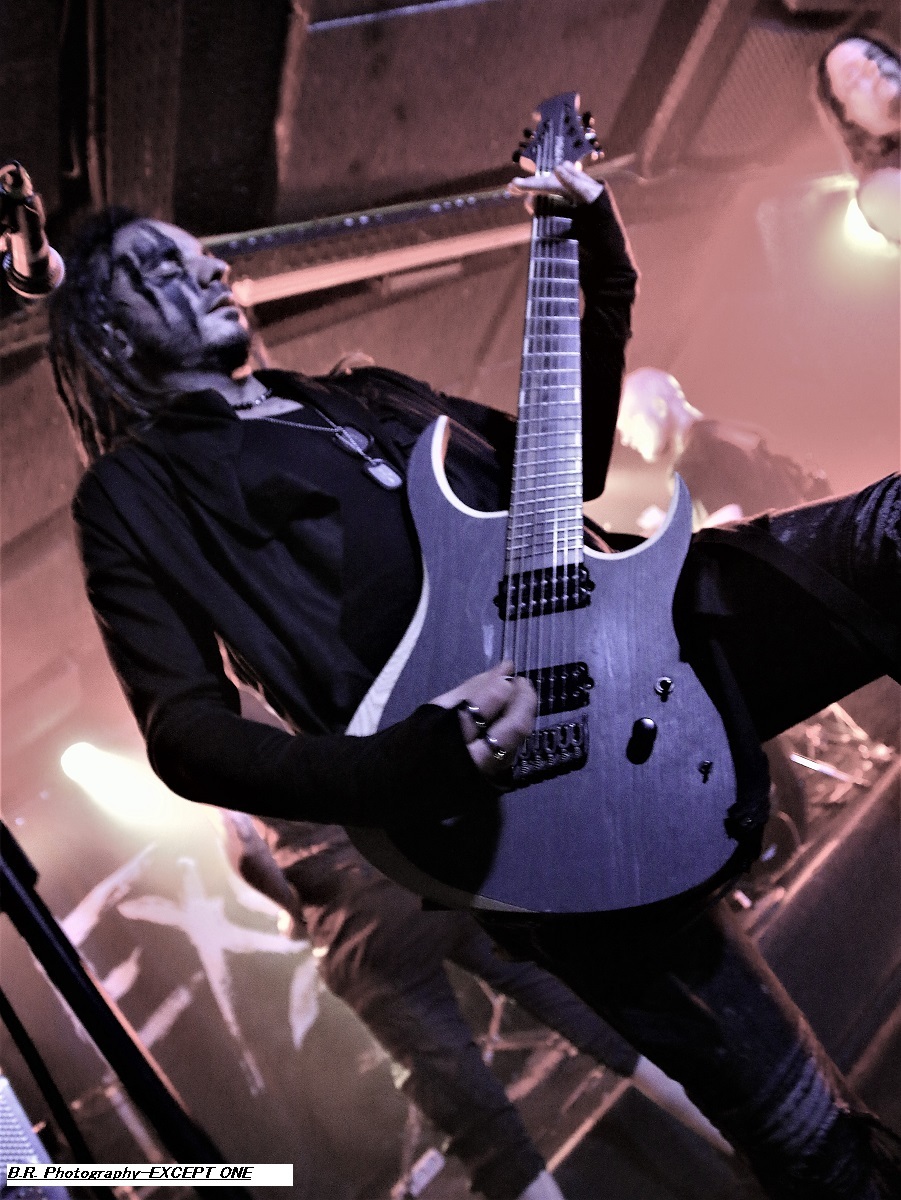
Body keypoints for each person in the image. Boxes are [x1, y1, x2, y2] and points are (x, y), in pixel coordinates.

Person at [47, 150, 901, 1200]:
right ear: (111, 334)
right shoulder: (135, 493)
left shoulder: (358, 395)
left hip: (646, 642)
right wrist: (400, 768)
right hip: (525, 806)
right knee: (806, 1128)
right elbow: (183, 730)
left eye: (202, 257)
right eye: (162, 270)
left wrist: (605, 270)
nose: (211, 271)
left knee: (888, 534)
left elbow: (565, 465)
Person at [217, 807, 729, 1200]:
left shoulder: (210, 725)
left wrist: (297, 913)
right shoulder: (292, 699)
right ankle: (751, 1144)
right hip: (431, 868)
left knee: (482, 1125)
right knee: (592, 1010)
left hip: (362, 925)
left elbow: (246, 843)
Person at [615, 366, 830, 532]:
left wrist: (669, 535)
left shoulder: (692, 462)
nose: (625, 439)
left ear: (660, 407)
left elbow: (725, 534)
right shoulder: (742, 433)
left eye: (629, 422)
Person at [815, 34, 901, 244]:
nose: (872, 66)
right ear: (846, 115)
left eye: (874, 56)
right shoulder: (879, 192)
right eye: (852, 74)